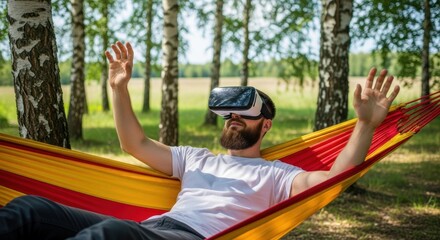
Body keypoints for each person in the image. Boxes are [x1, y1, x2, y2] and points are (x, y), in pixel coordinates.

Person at [0, 41, 400, 240]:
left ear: (266, 127)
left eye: (246, 114)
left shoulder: (279, 175)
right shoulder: (196, 158)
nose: (234, 120)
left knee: (109, 237)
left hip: (190, 237)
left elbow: (333, 177)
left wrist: (364, 124)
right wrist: (119, 88)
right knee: (28, 209)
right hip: (151, 227)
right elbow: (134, 144)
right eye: (230, 114)